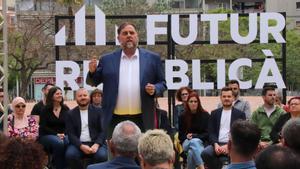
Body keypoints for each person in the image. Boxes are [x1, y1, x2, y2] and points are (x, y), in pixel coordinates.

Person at [86, 22, 167, 137]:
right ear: (119, 38)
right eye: (125, 33)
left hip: (142, 117)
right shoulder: (107, 60)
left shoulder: (152, 58)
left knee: (141, 153)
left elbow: (162, 83)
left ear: (137, 36)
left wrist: (155, 89)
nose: (129, 35)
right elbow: (93, 82)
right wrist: (92, 72)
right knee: (114, 153)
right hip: (114, 118)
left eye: (132, 33)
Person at [201, 87, 246, 169]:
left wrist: (228, 145)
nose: (226, 99)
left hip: (233, 144)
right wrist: (215, 145)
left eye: (229, 97)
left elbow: (240, 133)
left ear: (233, 98)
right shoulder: (214, 113)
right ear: (221, 98)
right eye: (224, 96)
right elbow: (211, 132)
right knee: (205, 153)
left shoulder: (240, 114)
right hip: (217, 143)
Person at [65, 88, 107, 169]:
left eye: (85, 95)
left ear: (89, 97)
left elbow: (103, 131)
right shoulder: (70, 114)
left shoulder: (99, 111)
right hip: (78, 144)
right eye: (80, 96)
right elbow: (70, 134)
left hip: (96, 143)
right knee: (70, 155)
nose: (82, 97)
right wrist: (81, 146)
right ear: (76, 98)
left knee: (102, 156)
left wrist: (97, 144)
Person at [39, 86, 70, 169]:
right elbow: (43, 127)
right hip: (46, 135)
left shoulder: (65, 108)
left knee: (67, 141)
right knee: (59, 142)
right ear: (51, 96)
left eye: (61, 93)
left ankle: (63, 165)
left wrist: (64, 134)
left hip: (63, 135)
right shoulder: (45, 110)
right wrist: (57, 134)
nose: (60, 95)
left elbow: (69, 124)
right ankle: (59, 166)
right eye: (57, 94)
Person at [178, 92, 209, 169]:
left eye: (195, 101)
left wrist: (195, 136)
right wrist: (186, 136)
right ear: (187, 103)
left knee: (191, 152)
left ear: (198, 103)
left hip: (201, 142)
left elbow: (207, 133)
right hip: (186, 142)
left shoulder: (205, 115)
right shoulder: (182, 116)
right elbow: (180, 135)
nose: (193, 103)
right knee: (194, 142)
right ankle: (202, 167)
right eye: (191, 101)